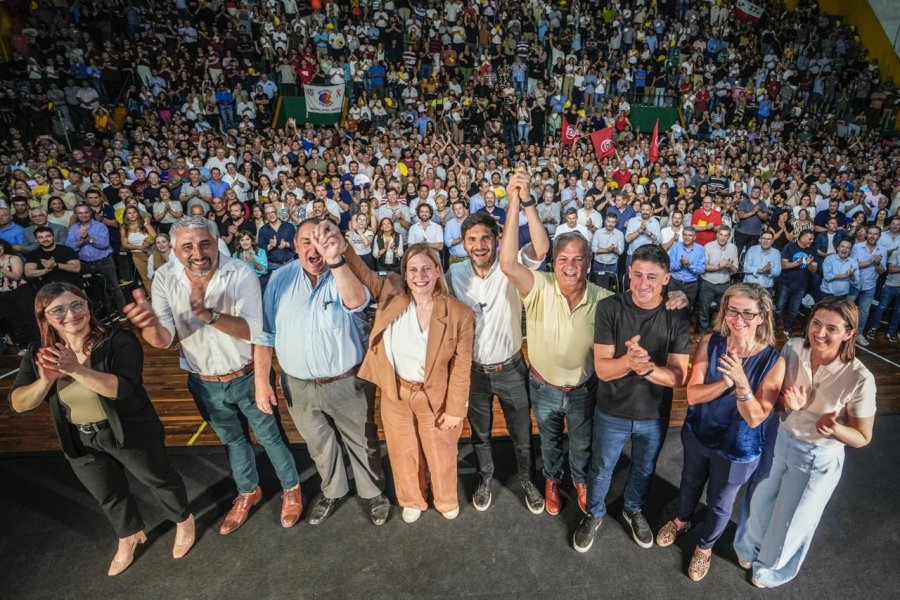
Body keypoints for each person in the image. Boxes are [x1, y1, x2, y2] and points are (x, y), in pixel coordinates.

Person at [123, 216, 302, 535]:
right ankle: (248, 491)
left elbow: (253, 331)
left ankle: (291, 488)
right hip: (204, 382)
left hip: (247, 374)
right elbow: (164, 340)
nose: (198, 252)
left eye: (205, 243)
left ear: (217, 241)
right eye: (187, 246)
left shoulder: (240, 272)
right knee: (232, 441)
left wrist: (209, 316)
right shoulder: (164, 278)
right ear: (174, 249)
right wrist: (149, 326)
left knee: (271, 437)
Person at [10, 283, 194, 576]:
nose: (71, 314)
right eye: (59, 310)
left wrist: (75, 369)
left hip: (128, 431)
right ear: (44, 318)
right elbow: (19, 404)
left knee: (159, 479)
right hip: (80, 437)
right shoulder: (37, 352)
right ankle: (129, 535)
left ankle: (183, 521)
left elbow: (121, 389)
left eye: (77, 305)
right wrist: (45, 381)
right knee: (108, 494)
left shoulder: (118, 340)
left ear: (88, 305)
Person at [253, 219, 390, 527]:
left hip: (346, 382)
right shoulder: (279, 278)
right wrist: (261, 381)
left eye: (320, 242)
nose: (314, 249)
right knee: (318, 444)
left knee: (362, 441)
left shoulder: (345, 271)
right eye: (306, 242)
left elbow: (357, 302)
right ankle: (332, 491)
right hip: (298, 385)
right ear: (295, 245)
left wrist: (336, 259)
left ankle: (373, 493)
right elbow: (264, 335)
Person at [734, 297, 876, 589]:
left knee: (791, 519)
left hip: (817, 455)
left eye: (831, 328)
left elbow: (862, 437)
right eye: (816, 323)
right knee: (760, 500)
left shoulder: (860, 378)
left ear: (849, 333)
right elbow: (774, 396)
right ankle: (747, 549)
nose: (820, 333)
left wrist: (835, 428)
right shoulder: (794, 347)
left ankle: (769, 569)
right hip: (781, 438)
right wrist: (787, 405)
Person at [340, 233, 475, 523]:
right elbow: (363, 272)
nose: (419, 275)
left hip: (435, 397)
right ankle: (412, 499)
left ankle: (445, 499)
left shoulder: (459, 314)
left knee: (440, 452)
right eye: (412, 269)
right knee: (402, 451)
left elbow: (462, 367)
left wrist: (455, 409)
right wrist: (342, 247)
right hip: (396, 392)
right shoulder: (391, 293)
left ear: (438, 270)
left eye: (426, 268)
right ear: (404, 274)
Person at [656, 284, 785, 581]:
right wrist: (725, 383)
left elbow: (755, 417)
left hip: (738, 447)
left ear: (762, 317)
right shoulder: (711, 341)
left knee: (720, 502)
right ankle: (682, 521)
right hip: (699, 431)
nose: (738, 319)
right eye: (732, 310)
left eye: (747, 313)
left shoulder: (773, 361)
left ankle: (705, 547)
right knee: (689, 482)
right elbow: (693, 395)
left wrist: (741, 382)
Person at [499, 169, 607, 516]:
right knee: (549, 441)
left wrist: (673, 297)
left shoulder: (604, 299)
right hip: (543, 387)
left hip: (583, 389)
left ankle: (580, 480)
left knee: (582, 443)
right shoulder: (539, 285)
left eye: (578, 259)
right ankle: (551, 480)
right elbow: (507, 262)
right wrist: (516, 201)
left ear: (589, 263)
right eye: (563, 259)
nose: (570, 266)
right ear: (553, 262)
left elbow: (639, 303)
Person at [574, 244, 691, 553]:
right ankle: (594, 513)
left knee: (644, 468)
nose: (643, 284)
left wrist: (646, 367)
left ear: (666, 279)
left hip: (654, 413)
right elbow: (603, 370)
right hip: (612, 410)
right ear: (628, 273)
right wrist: (629, 361)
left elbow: (678, 377)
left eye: (652, 277)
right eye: (637, 275)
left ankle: (632, 508)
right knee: (601, 468)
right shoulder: (610, 308)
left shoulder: (677, 314)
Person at [446, 211, 547, 514]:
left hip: (511, 369)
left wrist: (521, 202)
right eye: (472, 239)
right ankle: (485, 478)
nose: (479, 245)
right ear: (463, 243)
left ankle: (527, 480)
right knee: (480, 434)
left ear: (496, 239)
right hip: (473, 372)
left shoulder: (510, 266)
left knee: (522, 433)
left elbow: (540, 248)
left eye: (485, 238)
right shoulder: (453, 274)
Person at [67, 205, 127, 321]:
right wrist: (82, 240)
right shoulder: (73, 229)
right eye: (80, 213)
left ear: (90, 213)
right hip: (86, 265)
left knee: (113, 288)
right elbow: (70, 247)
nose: (83, 215)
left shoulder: (100, 226)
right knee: (98, 291)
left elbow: (104, 244)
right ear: (76, 215)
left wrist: (88, 237)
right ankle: (111, 313)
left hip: (104, 262)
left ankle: (124, 312)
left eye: (86, 212)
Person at [698, 226, 739, 334]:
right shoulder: (708, 246)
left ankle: (720, 332)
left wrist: (729, 266)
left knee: (723, 310)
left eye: (726, 235)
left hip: (724, 284)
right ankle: (702, 332)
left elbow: (735, 270)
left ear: (729, 236)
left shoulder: (733, 248)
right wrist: (719, 266)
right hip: (707, 283)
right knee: (704, 310)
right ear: (716, 235)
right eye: (721, 234)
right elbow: (703, 267)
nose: (723, 238)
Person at [776, 230, 818, 337]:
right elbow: (784, 265)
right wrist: (800, 262)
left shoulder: (812, 250)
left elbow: (813, 270)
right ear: (802, 238)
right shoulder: (790, 247)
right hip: (786, 283)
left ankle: (788, 328)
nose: (812, 241)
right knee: (779, 307)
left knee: (794, 310)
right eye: (810, 239)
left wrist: (810, 265)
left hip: (801, 285)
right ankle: (774, 327)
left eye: (813, 239)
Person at [0, 240, 41, 350]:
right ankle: (22, 345)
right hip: (2, 295)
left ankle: (35, 344)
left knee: (28, 319)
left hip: (20, 292)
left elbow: (16, 276)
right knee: (13, 320)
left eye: (0, 245)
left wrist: (1, 269)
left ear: (3, 247)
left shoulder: (14, 258)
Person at [852, 225, 887, 345]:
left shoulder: (883, 250)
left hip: (870, 286)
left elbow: (882, 270)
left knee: (864, 312)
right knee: (846, 309)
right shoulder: (856, 247)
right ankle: (842, 331)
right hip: (854, 284)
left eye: (875, 234)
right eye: (870, 233)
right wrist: (870, 261)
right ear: (866, 234)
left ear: (879, 236)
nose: (872, 236)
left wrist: (877, 263)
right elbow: (853, 265)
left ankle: (859, 334)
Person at [667, 226, 706, 309]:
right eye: (685, 235)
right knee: (671, 307)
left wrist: (689, 265)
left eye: (690, 235)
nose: (687, 237)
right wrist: (680, 263)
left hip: (691, 285)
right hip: (675, 283)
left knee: (687, 309)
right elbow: (669, 267)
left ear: (694, 237)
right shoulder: (676, 246)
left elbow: (702, 270)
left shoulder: (700, 249)